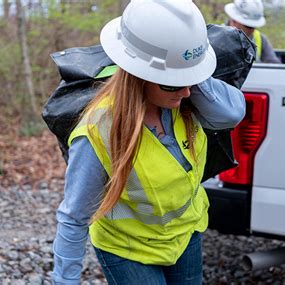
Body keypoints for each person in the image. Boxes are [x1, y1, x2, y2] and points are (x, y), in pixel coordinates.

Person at [52, 1, 246, 284]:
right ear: (139, 74)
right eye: (172, 82)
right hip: (127, 250)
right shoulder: (98, 132)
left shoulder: (187, 100)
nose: (186, 90)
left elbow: (232, 114)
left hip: (184, 236)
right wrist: (64, 280)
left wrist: (187, 71)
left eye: (189, 79)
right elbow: (73, 218)